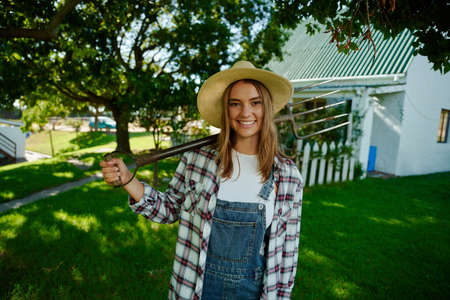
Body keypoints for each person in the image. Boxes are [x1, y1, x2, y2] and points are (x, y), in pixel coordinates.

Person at [100, 61, 304, 300]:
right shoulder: (197, 160)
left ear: (266, 108)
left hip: (253, 293)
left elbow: (287, 256)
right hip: (195, 288)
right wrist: (127, 179)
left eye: (255, 103)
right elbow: (168, 209)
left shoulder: (288, 176)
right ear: (225, 110)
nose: (245, 113)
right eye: (235, 104)